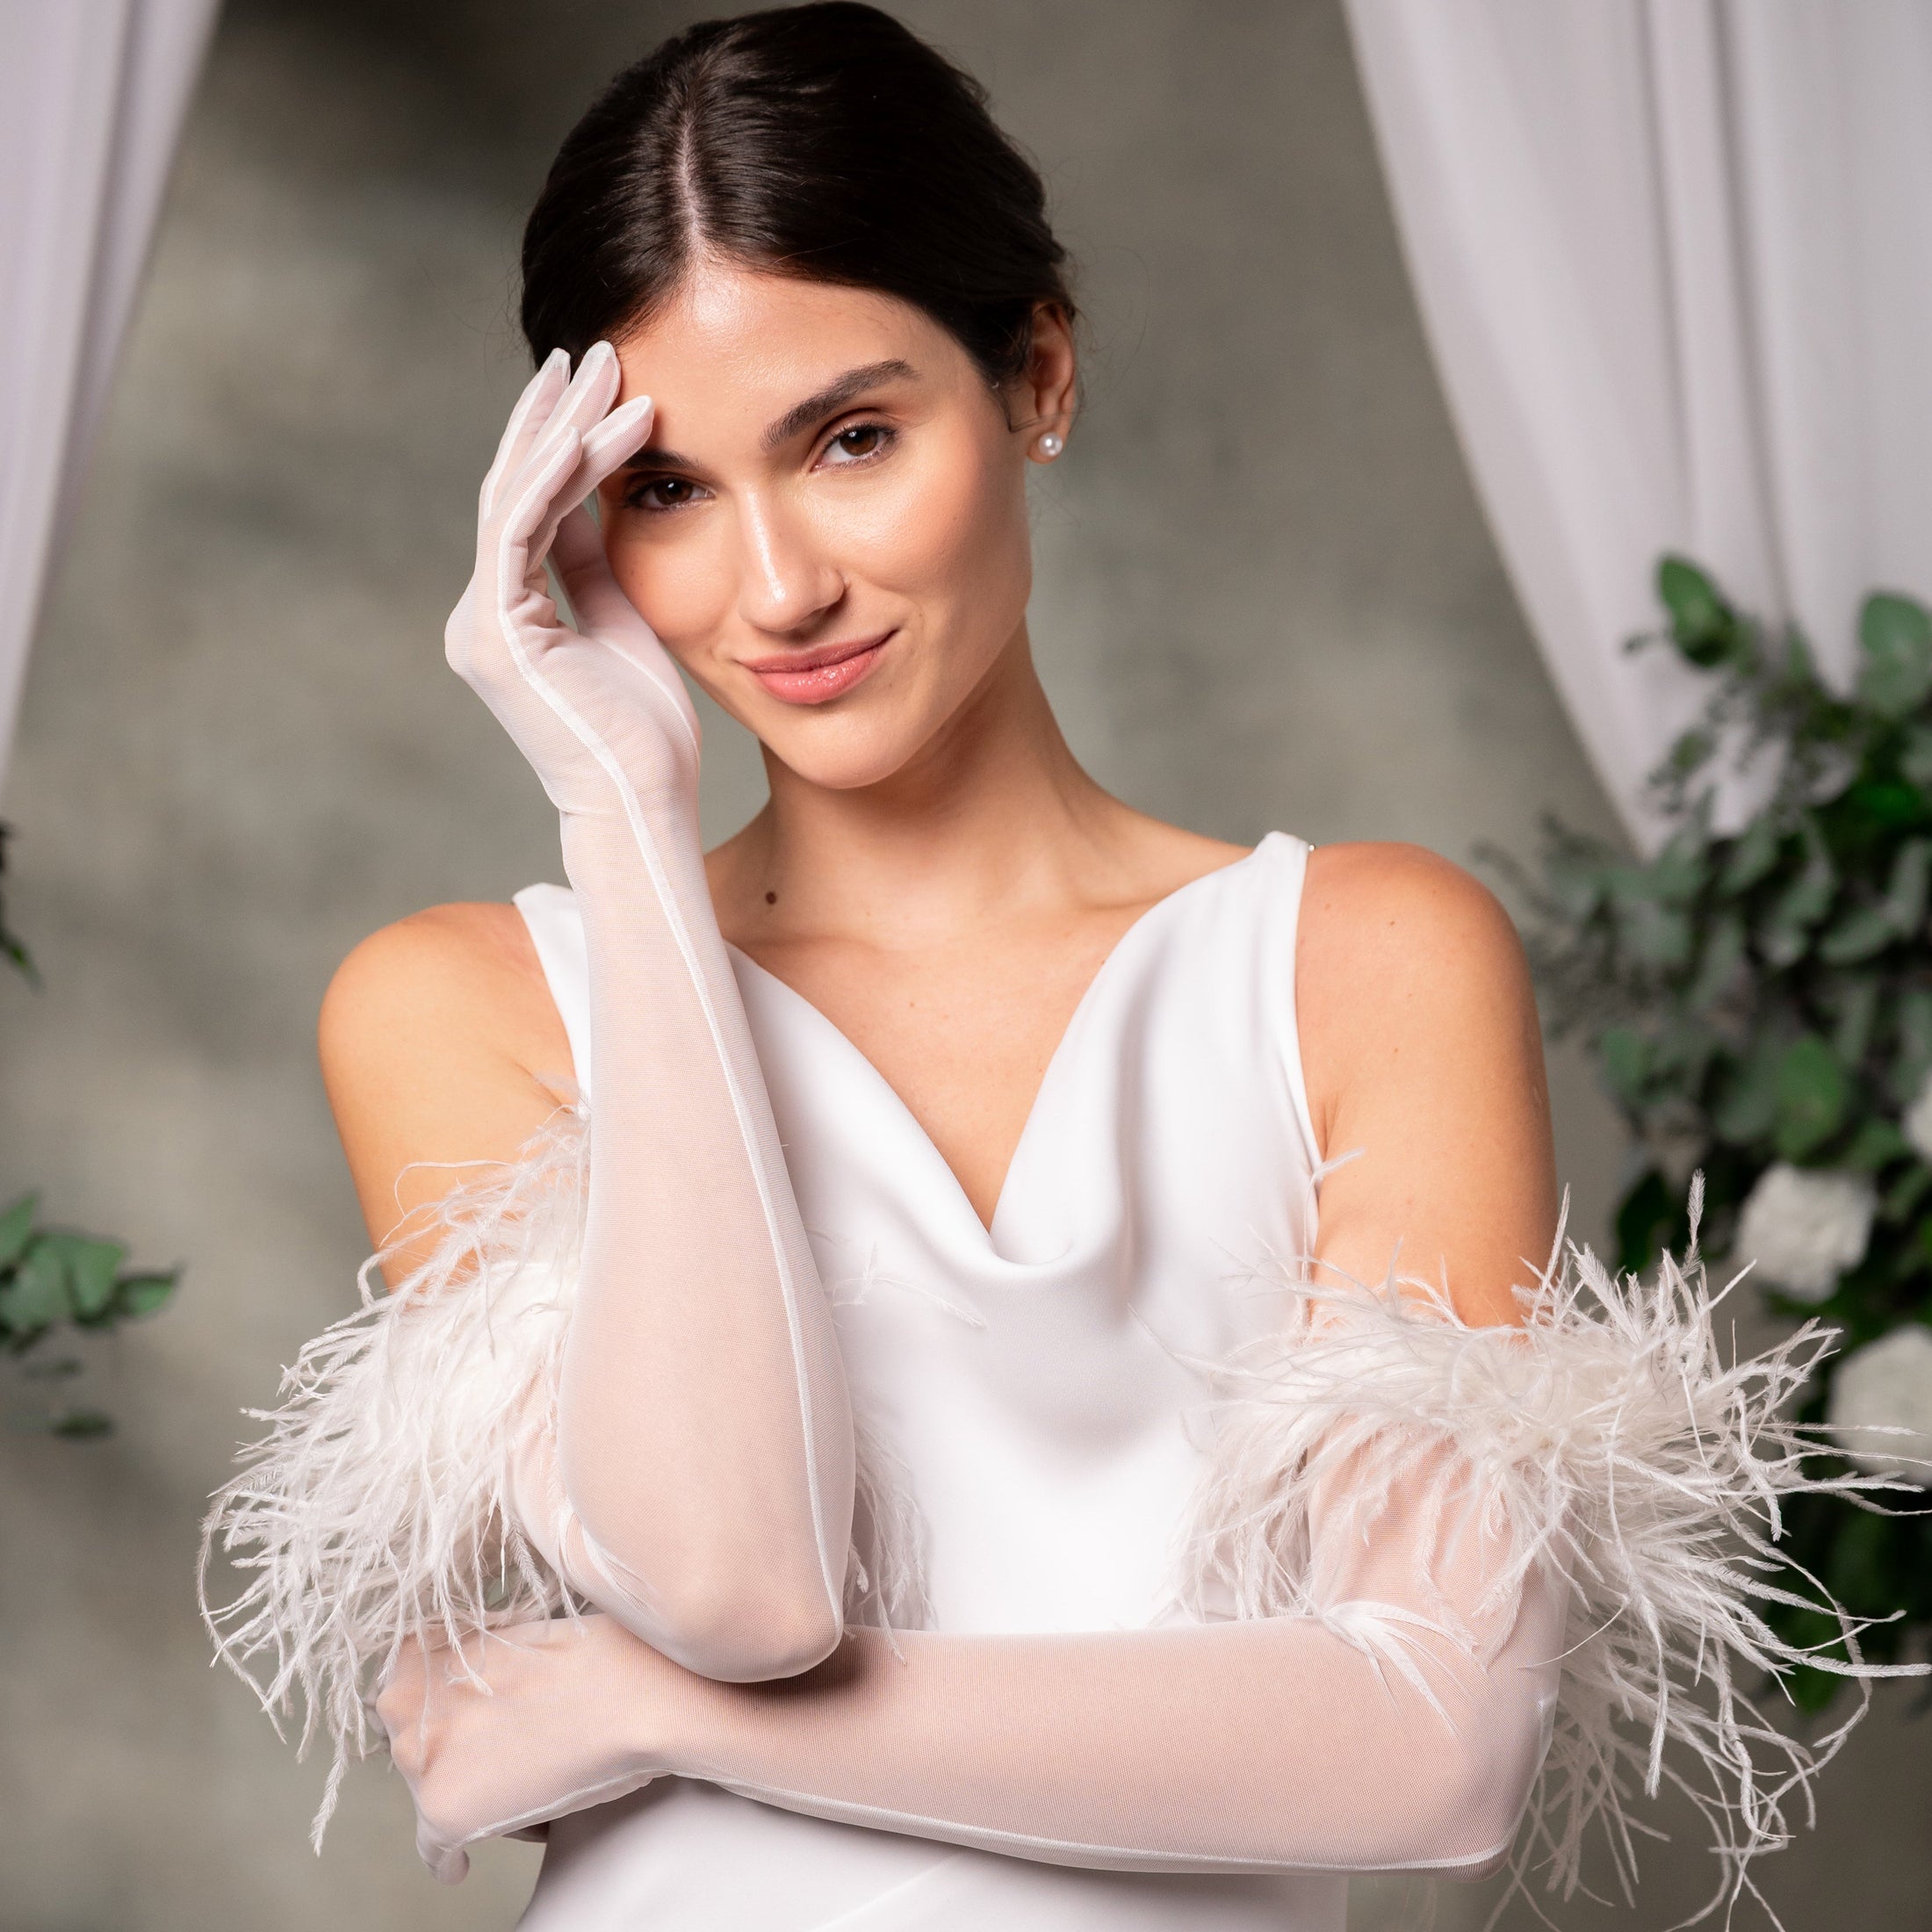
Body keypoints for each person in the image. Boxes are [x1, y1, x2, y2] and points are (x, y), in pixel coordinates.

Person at [198, 8, 1915, 1928]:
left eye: (849, 438)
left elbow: (1431, 1746)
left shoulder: (1354, 961)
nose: (777, 588)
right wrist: (618, 812)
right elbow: (738, 1583)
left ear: (1036, 371)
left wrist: (639, 1704)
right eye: (668, 491)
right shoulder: (468, 1003)